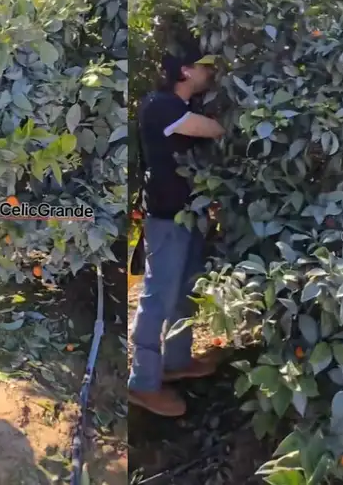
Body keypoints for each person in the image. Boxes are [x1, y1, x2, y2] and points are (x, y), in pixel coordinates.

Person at [128, 44, 227, 417]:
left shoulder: (181, 107)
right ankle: (142, 382)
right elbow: (214, 130)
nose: (210, 73)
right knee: (158, 296)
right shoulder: (161, 105)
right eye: (205, 67)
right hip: (167, 217)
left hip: (190, 214)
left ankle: (177, 361)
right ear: (185, 71)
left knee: (185, 289)